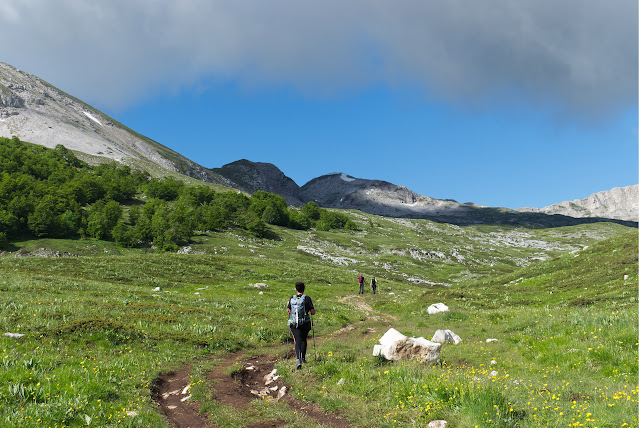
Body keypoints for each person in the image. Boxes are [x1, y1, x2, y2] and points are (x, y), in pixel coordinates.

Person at [287, 282, 316, 370]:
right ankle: (303, 358)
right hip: (305, 323)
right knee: (304, 339)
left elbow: (288, 310)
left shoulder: (292, 298)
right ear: (304, 290)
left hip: (294, 323)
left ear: (296, 289)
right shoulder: (307, 298)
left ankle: (298, 360)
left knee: (297, 341)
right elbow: (312, 312)